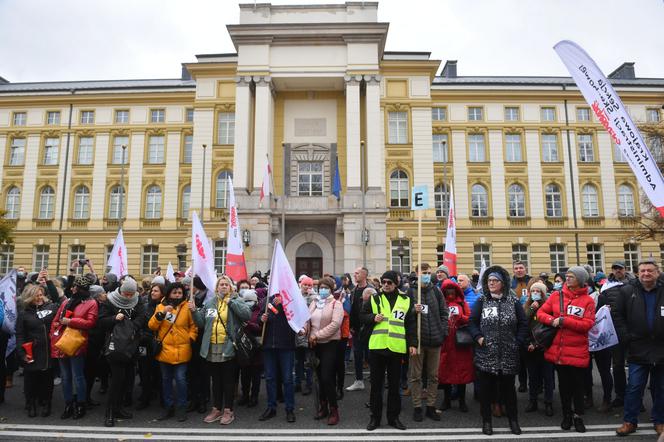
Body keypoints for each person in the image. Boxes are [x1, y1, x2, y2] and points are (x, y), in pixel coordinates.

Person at [468, 265, 528, 436]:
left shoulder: (513, 300)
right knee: (486, 392)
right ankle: (487, 422)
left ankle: (513, 421)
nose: (492, 283)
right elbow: (472, 322)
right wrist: (478, 337)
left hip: (509, 353)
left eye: (495, 281)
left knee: (509, 390)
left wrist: (518, 341)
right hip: (486, 353)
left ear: (503, 283)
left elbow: (523, 323)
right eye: (489, 281)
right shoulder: (482, 300)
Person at [537, 266, 595, 433]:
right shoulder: (556, 295)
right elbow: (541, 313)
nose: (567, 279)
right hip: (559, 350)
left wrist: (565, 321)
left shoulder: (588, 301)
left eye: (572, 276)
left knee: (578, 386)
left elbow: (588, 324)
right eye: (567, 276)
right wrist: (552, 320)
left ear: (581, 280)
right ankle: (566, 415)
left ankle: (578, 416)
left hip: (577, 351)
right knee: (563, 386)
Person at [613, 259, 664, 437]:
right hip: (638, 348)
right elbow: (617, 316)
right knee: (634, 387)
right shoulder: (627, 291)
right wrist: (626, 337)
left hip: (661, 348)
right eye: (642, 271)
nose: (646, 274)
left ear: (657, 272)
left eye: (650, 270)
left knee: (661, 388)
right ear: (637, 273)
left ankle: (660, 421)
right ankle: (629, 421)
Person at [362, 270, 418, 431]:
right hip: (377, 347)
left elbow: (410, 324)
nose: (386, 285)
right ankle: (375, 418)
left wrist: (413, 343)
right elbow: (361, 316)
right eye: (384, 282)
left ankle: (394, 418)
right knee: (376, 386)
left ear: (396, 284)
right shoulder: (374, 298)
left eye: (389, 283)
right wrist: (373, 318)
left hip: (396, 348)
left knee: (395, 387)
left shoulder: (406, 300)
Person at [199, 276, 250, 425]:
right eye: (221, 285)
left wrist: (231, 303)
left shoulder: (236, 300)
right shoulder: (210, 303)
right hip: (212, 346)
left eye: (226, 284)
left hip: (228, 345)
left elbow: (246, 315)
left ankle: (228, 410)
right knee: (215, 380)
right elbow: (202, 323)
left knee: (228, 380)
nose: (223, 287)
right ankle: (216, 409)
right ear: (216, 288)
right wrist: (194, 312)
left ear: (231, 287)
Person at [97, 278, 146, 427]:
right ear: (121, 290)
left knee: (126, 379)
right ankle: (110, 412)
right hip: (115, 345)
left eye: (132, 294)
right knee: (116, 380)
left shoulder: (137, 300)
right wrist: (114, 319)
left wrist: (131, 326)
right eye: (126, 294)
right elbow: (101, 321)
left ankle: (119, 408)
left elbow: (142, 317)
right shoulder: (110, 300)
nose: (129, 297)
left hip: (131, 345)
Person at [50, 274, 99, 420]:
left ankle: (81, 404)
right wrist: (54, 334)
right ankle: (68, 403)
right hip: (62, 342)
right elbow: (56, 320)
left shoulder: (92, 303)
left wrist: (70, 321)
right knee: (66, 377)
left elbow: (90, 323)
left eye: (76, 287)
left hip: (76, 342)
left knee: (78, 376)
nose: (73, 289)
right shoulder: (67, 302)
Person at [149, 282, 199, 422]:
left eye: (180, 293)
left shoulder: (187, 307)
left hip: (182, 349)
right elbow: (151, 325)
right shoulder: (161, 306)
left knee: (181, 379)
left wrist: (190, 338)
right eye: (175, 292)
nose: (177, 295)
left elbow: (193, 326)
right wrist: (162, 313)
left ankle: (182, 407)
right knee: (166, 380)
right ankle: (168, 407)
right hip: (165, 350)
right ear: (169, 293)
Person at [407, 263, 448, 422]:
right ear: (417, 273)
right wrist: (412, 311)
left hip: (435, 340)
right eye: (424, 272)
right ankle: (417, 407)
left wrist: (443, 332)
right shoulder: (410, 292)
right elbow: (404, 318)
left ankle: (431, 406)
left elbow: (444, 313)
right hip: (418, 342)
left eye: (429, 272)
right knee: (415, 376)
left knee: (433, 376)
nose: (427, 275)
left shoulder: (436, 291)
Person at [259, 278, 298, 424]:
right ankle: (271, 408)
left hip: (286, 346)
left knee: (287, 379)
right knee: (270, 378)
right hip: (269, 346)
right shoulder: (265, 301)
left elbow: (296, 318)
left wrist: (283, 305)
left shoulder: (290, 300)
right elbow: (258, 319)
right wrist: (261, 319)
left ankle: (290, 409)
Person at [306, 276, 344, 425]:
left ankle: (334, 409)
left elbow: (335, 324)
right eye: (320, 287)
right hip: (315, 345)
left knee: (327, 377)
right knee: (319, 377)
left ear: (330, 290)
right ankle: (323, 406)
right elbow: (307, 320)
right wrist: (304, 331)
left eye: (325, 288)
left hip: (329, 343)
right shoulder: (315, 303)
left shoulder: (336, 304)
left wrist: (317, 335)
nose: (322, 290)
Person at [16, 284, 58, 417]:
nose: (40, 298)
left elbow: (58, 298)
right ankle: (31, 403)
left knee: (47, 380)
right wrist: (22, 353)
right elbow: (20, 335)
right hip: (31, 350)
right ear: (29, 297)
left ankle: (46, 403)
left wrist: (48, 282)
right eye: (36, 296)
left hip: (48, 350)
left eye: (41, 295)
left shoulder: (51, 307)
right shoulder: (23, 314)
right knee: (30, 380)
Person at [437, 279, 474, 413]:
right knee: (445, 372)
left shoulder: (462, 303)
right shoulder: (441, 304)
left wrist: (460, 317)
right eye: (448, 290)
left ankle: (462, 401)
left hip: (460, 343)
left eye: (453, 290)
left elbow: (470, 319)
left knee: (461, 372)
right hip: (445, 342)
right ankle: (446, 400)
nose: (450, 293)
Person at [602, 260, 634, 409]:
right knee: (618, 365)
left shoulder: (635, 284)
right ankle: (620, 396)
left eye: (620, 268)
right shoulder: (606, 287)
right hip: (615, 332)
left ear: (625, 269)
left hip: (634, 332)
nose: (617, 271)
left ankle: (635, 398)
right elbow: (600, 308)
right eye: (615, 269)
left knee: (636, 366)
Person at [523, 281, 554, 416]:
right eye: (533, 291)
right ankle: (533, 401)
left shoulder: (549, 307)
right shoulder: (527, 306)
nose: (535, 293)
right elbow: (523, 324)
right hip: (530, 348)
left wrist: (538, 344)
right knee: (533, 376)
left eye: (538, 291)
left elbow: (550, 329)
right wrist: (531, 309)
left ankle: (548, 402)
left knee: (547, 377)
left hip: (545, 347)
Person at [136, 282, 165, 410]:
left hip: (159, 343)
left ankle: (161, 396)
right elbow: (140, 324)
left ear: (162, 294)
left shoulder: (165, 307)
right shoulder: (145, 306)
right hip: (144, 343)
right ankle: (145, 396)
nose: (153, 293)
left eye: (156, 291)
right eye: (152, 290)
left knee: (159, 371)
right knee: (144, 371)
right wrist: (142, 337)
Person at [347, 267, 371, 392]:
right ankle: (359, 380)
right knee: (357, 354)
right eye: (354, 273)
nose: (354, 275)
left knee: (372, 355)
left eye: (357, 273)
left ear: (364, 275)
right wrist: (351, 326)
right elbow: (353, 309)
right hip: (356, 329)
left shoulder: (371, 290)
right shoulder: (354, 290)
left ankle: (376, 379)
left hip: (369, 328)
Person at [239, 289, 262, 408]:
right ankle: (245, 395)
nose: (249, 303)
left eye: (250, 300)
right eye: (246, 300)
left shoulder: (260, 311)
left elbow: (261, 327)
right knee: (245, 373)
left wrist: (248, 324)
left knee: (255, 373)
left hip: (256, 346)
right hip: (244, 346)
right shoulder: (241, 310)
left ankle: (254, 396)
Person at [294, 276, 315, 396]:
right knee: (297, 361)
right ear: (301, 285)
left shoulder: (314, 298)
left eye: (309, 285)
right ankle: (297, 383)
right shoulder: (295, 297)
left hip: (308, 333)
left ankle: (308, 384)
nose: (306, 287)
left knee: (308, 362)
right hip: (297, 333)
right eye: (305, 285)